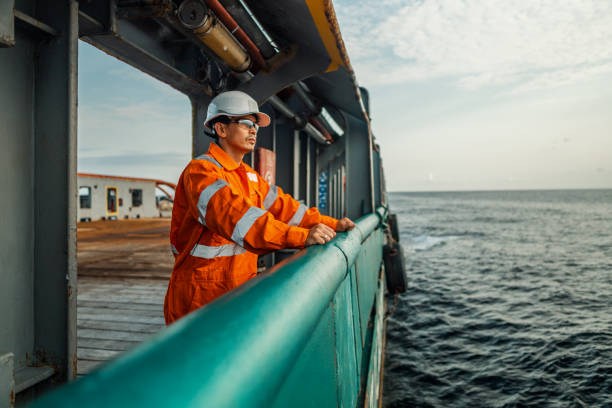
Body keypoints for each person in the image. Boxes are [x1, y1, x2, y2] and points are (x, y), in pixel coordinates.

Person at [164, 91, 355, 324]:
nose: (254, 130)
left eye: (255, 125)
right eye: (245, 123)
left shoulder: (249, 176)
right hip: (200, 299)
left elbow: (289, 210)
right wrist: (303, 237)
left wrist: (333, 224)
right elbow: (242, 222)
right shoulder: (201, 173)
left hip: (237, 292)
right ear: (221, 130)